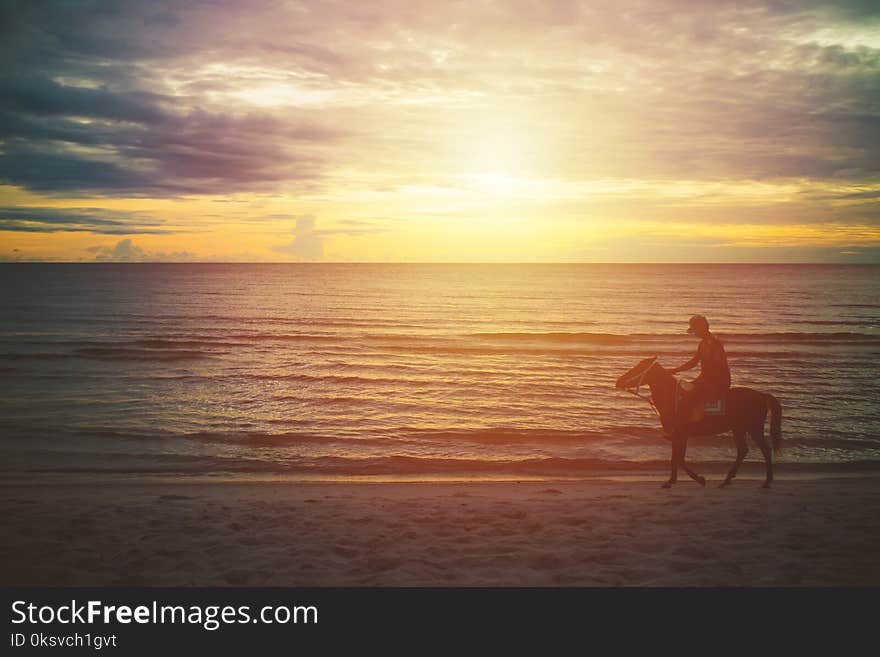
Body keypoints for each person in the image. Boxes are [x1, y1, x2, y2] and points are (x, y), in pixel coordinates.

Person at [670, 315, 731, 426]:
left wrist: (704, 380)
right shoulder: (702, 344)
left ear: (702, 329)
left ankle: (696, 423)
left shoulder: (715, 344)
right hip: (706, 379)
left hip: (718, 381)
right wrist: (675, 370)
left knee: (691, 396)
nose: (694, 333)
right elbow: (693, 362)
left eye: (695, 330)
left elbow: (718, 366)